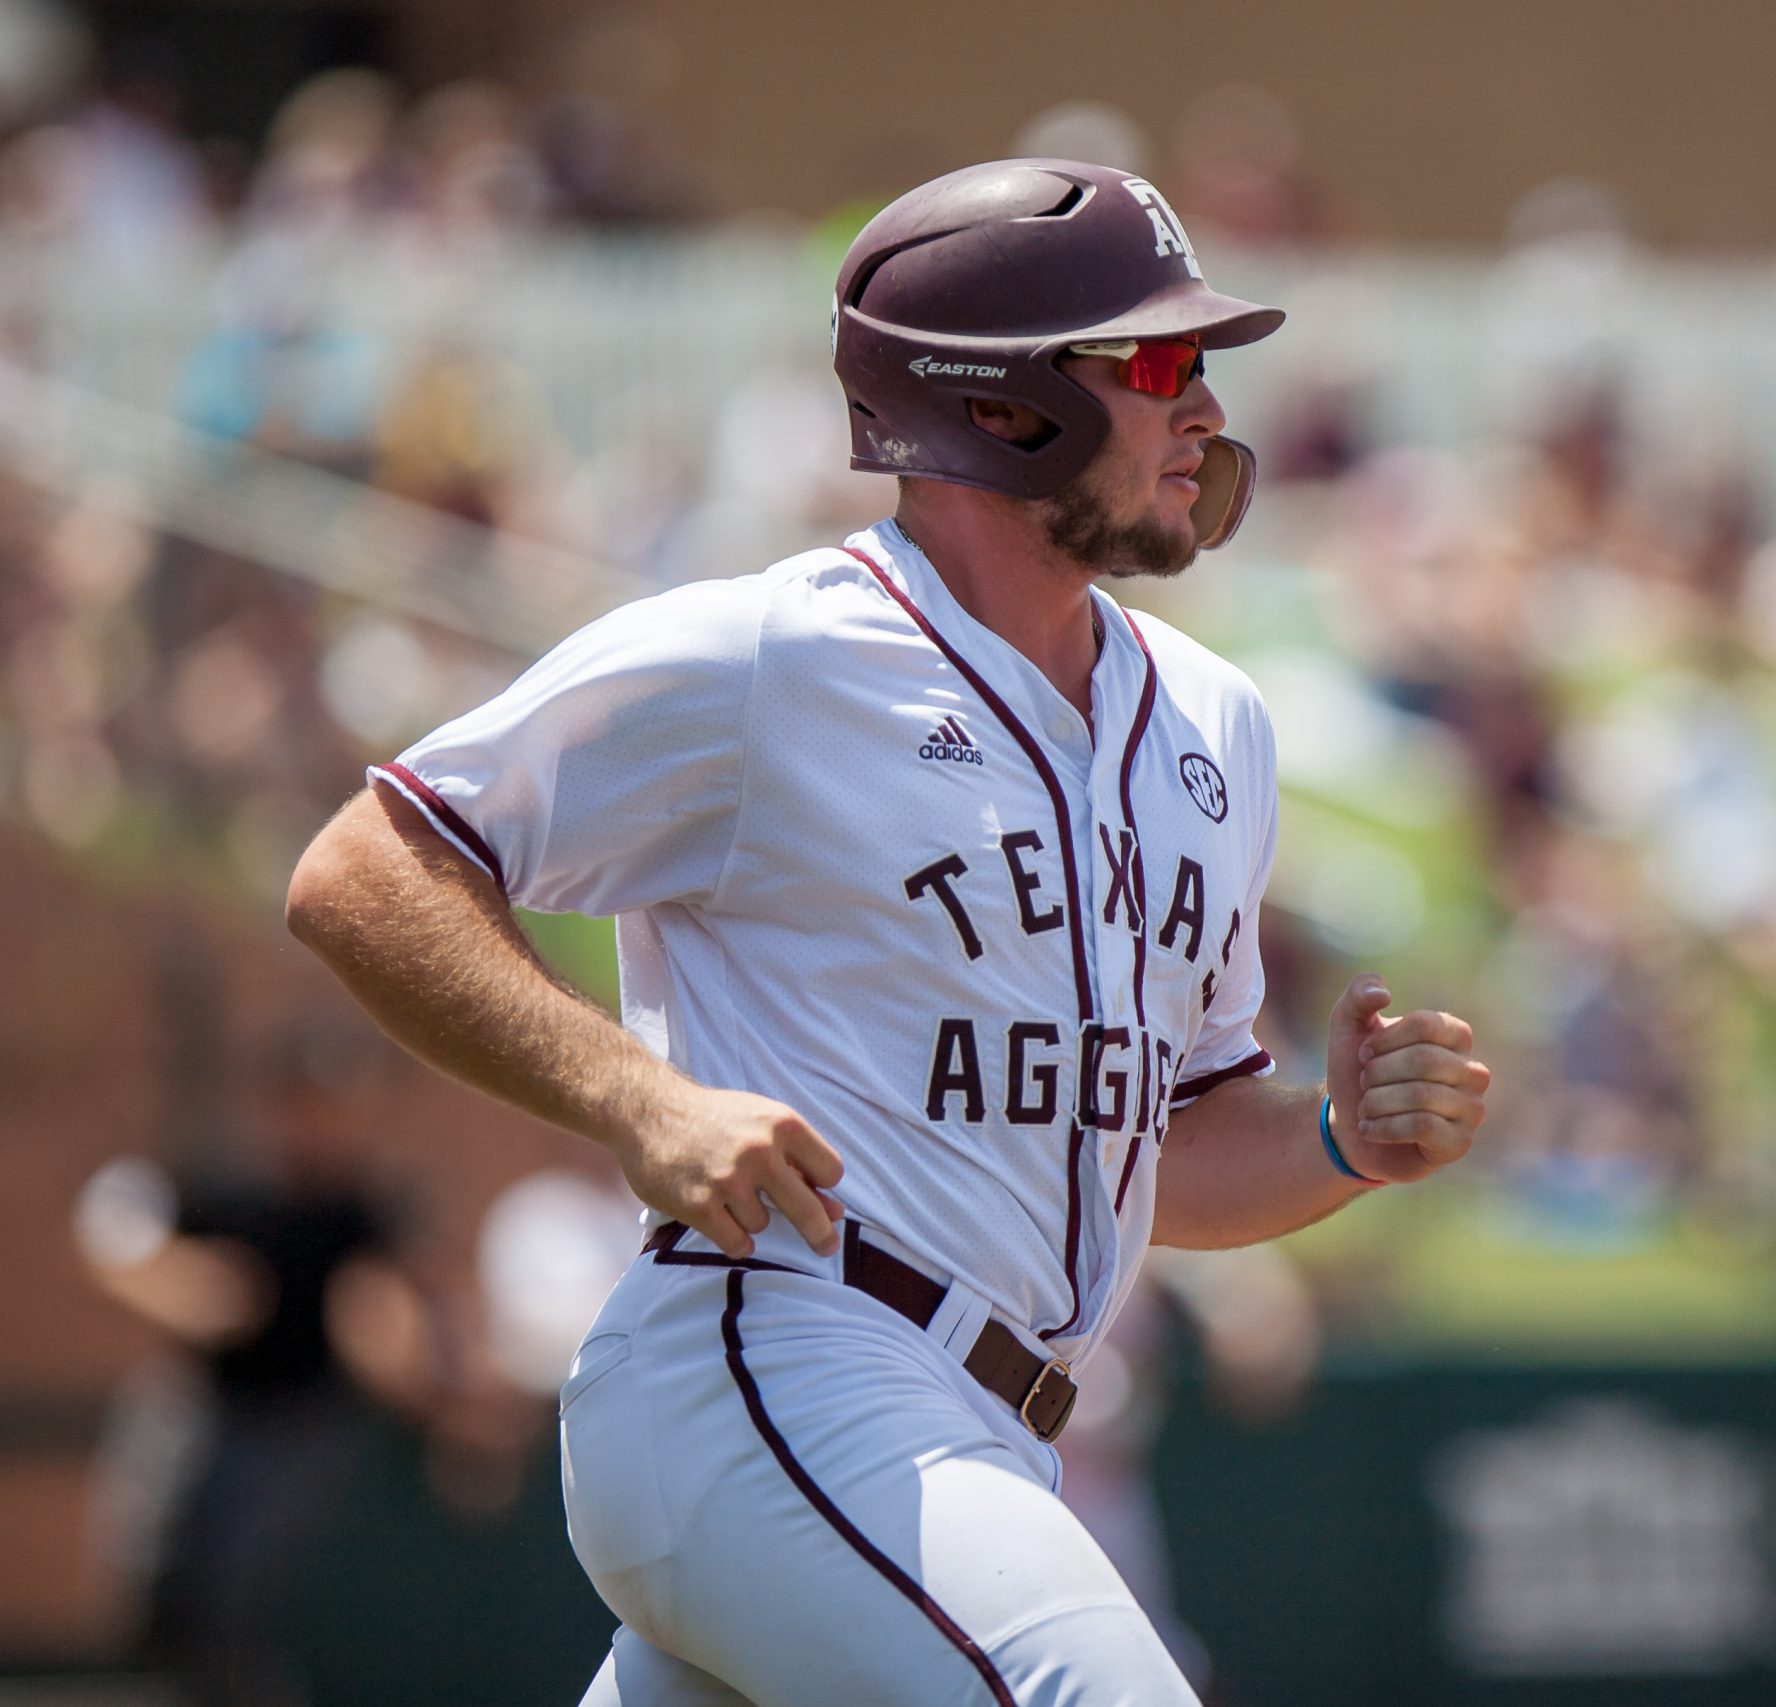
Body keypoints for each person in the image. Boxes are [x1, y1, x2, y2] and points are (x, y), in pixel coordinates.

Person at [283, 157, 1491, 1706]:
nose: (1203, 404)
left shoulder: (1214, 723)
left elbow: (1157, 1151)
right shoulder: (774, 654)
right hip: (786, 1361)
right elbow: (366, 868)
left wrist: (1335, 1134)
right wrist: (636, 1094)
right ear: (998, 405)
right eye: (1153, 358)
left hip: (985, 1433)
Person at [77, 1022, 419, 1706]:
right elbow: (116, 1238)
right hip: (198, 1402)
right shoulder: (222, 1181)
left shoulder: (356, 1207)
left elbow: (389, 1306)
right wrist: (184, 1287)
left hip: (299, 1419)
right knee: (149, 1561)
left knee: (244, 1589)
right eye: (315, 1100)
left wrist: (400, 1348)